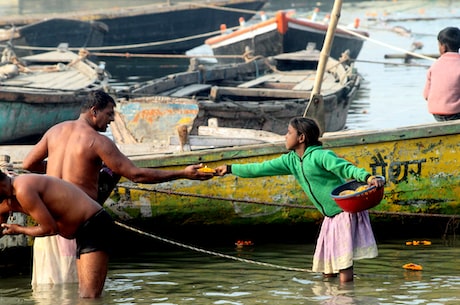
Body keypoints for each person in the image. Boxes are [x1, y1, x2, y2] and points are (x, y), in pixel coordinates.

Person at [22, 89, 214, 286]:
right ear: (94, 111)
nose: (112, 120)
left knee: (48, 291)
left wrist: (55, 173)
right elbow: (135, 174)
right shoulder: (97, 141)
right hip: (76, 225)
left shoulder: (55, 131)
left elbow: (28, 164)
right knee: (76, 292)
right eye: (110, 113)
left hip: (47, 224)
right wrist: (182, 173)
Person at [214, 117, 384, 283]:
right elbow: (259, 168)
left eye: (289, 133)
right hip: (330, 218)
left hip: (343, 213)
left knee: (344, 266)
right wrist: (230, 169)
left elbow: (346, 168)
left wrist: (368, 178)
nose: (285, 136)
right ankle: (328, 297)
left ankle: (347, 298)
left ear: (301, 137)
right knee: (327, 269)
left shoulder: (320, 156)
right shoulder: (290, 160)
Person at [0, 172, 114, 298]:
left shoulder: (23, 189)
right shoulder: (10, 195)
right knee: (84, 294)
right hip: (81, 231)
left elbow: (49, 229)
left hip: (94, 225)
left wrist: (19, 229)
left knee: (90, 296)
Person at [423, 26, 460, 121]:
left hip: (436, 113)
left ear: (443, 47)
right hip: (456, 113)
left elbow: (426, 95)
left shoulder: (434, 65)